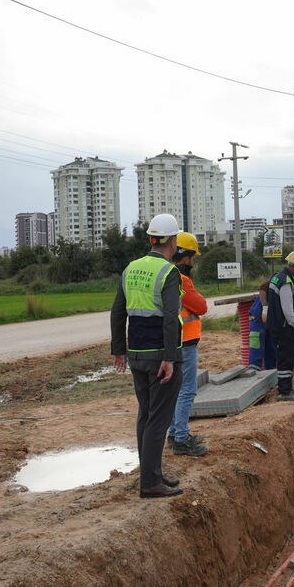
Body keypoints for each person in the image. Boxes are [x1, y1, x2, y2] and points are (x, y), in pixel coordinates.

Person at [111, 213, 184, 498]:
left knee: (145, 414)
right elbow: (170, 317)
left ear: (152, 239)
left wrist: (119, 350)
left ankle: (151, 473)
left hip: (137, 356)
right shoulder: (169, 272)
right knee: (158, 419)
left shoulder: (131, 268)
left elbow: (118, 311)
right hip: (160, 357)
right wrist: (169, 357)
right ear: (173, 241)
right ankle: (150, 483)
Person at [166, 232, 209, 457]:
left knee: (175, 390)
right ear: (186, 257)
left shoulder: (166, 274)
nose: (194, 261)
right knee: (187, 390)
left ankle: (174, 434)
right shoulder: (182, 280)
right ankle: (181, 438)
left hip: (173, 342)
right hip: (186, 342)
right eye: (193, 257)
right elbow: (201, 306)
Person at [265, 251, 294, 401]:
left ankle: (285, 387)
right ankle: (285, 392)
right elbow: (287, 308)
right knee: (286, 357)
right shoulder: (286, 281)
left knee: (283, 356)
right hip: (284, 327)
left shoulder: (277, 277)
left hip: (276, 325)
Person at [247, 280, 277, 373]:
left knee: (271, 348)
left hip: (271, 320)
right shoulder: (280, 277)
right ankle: (253, 373)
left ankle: (270, 373)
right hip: (258, 317)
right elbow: (263, 288)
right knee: (256, 346)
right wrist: (265, 308)